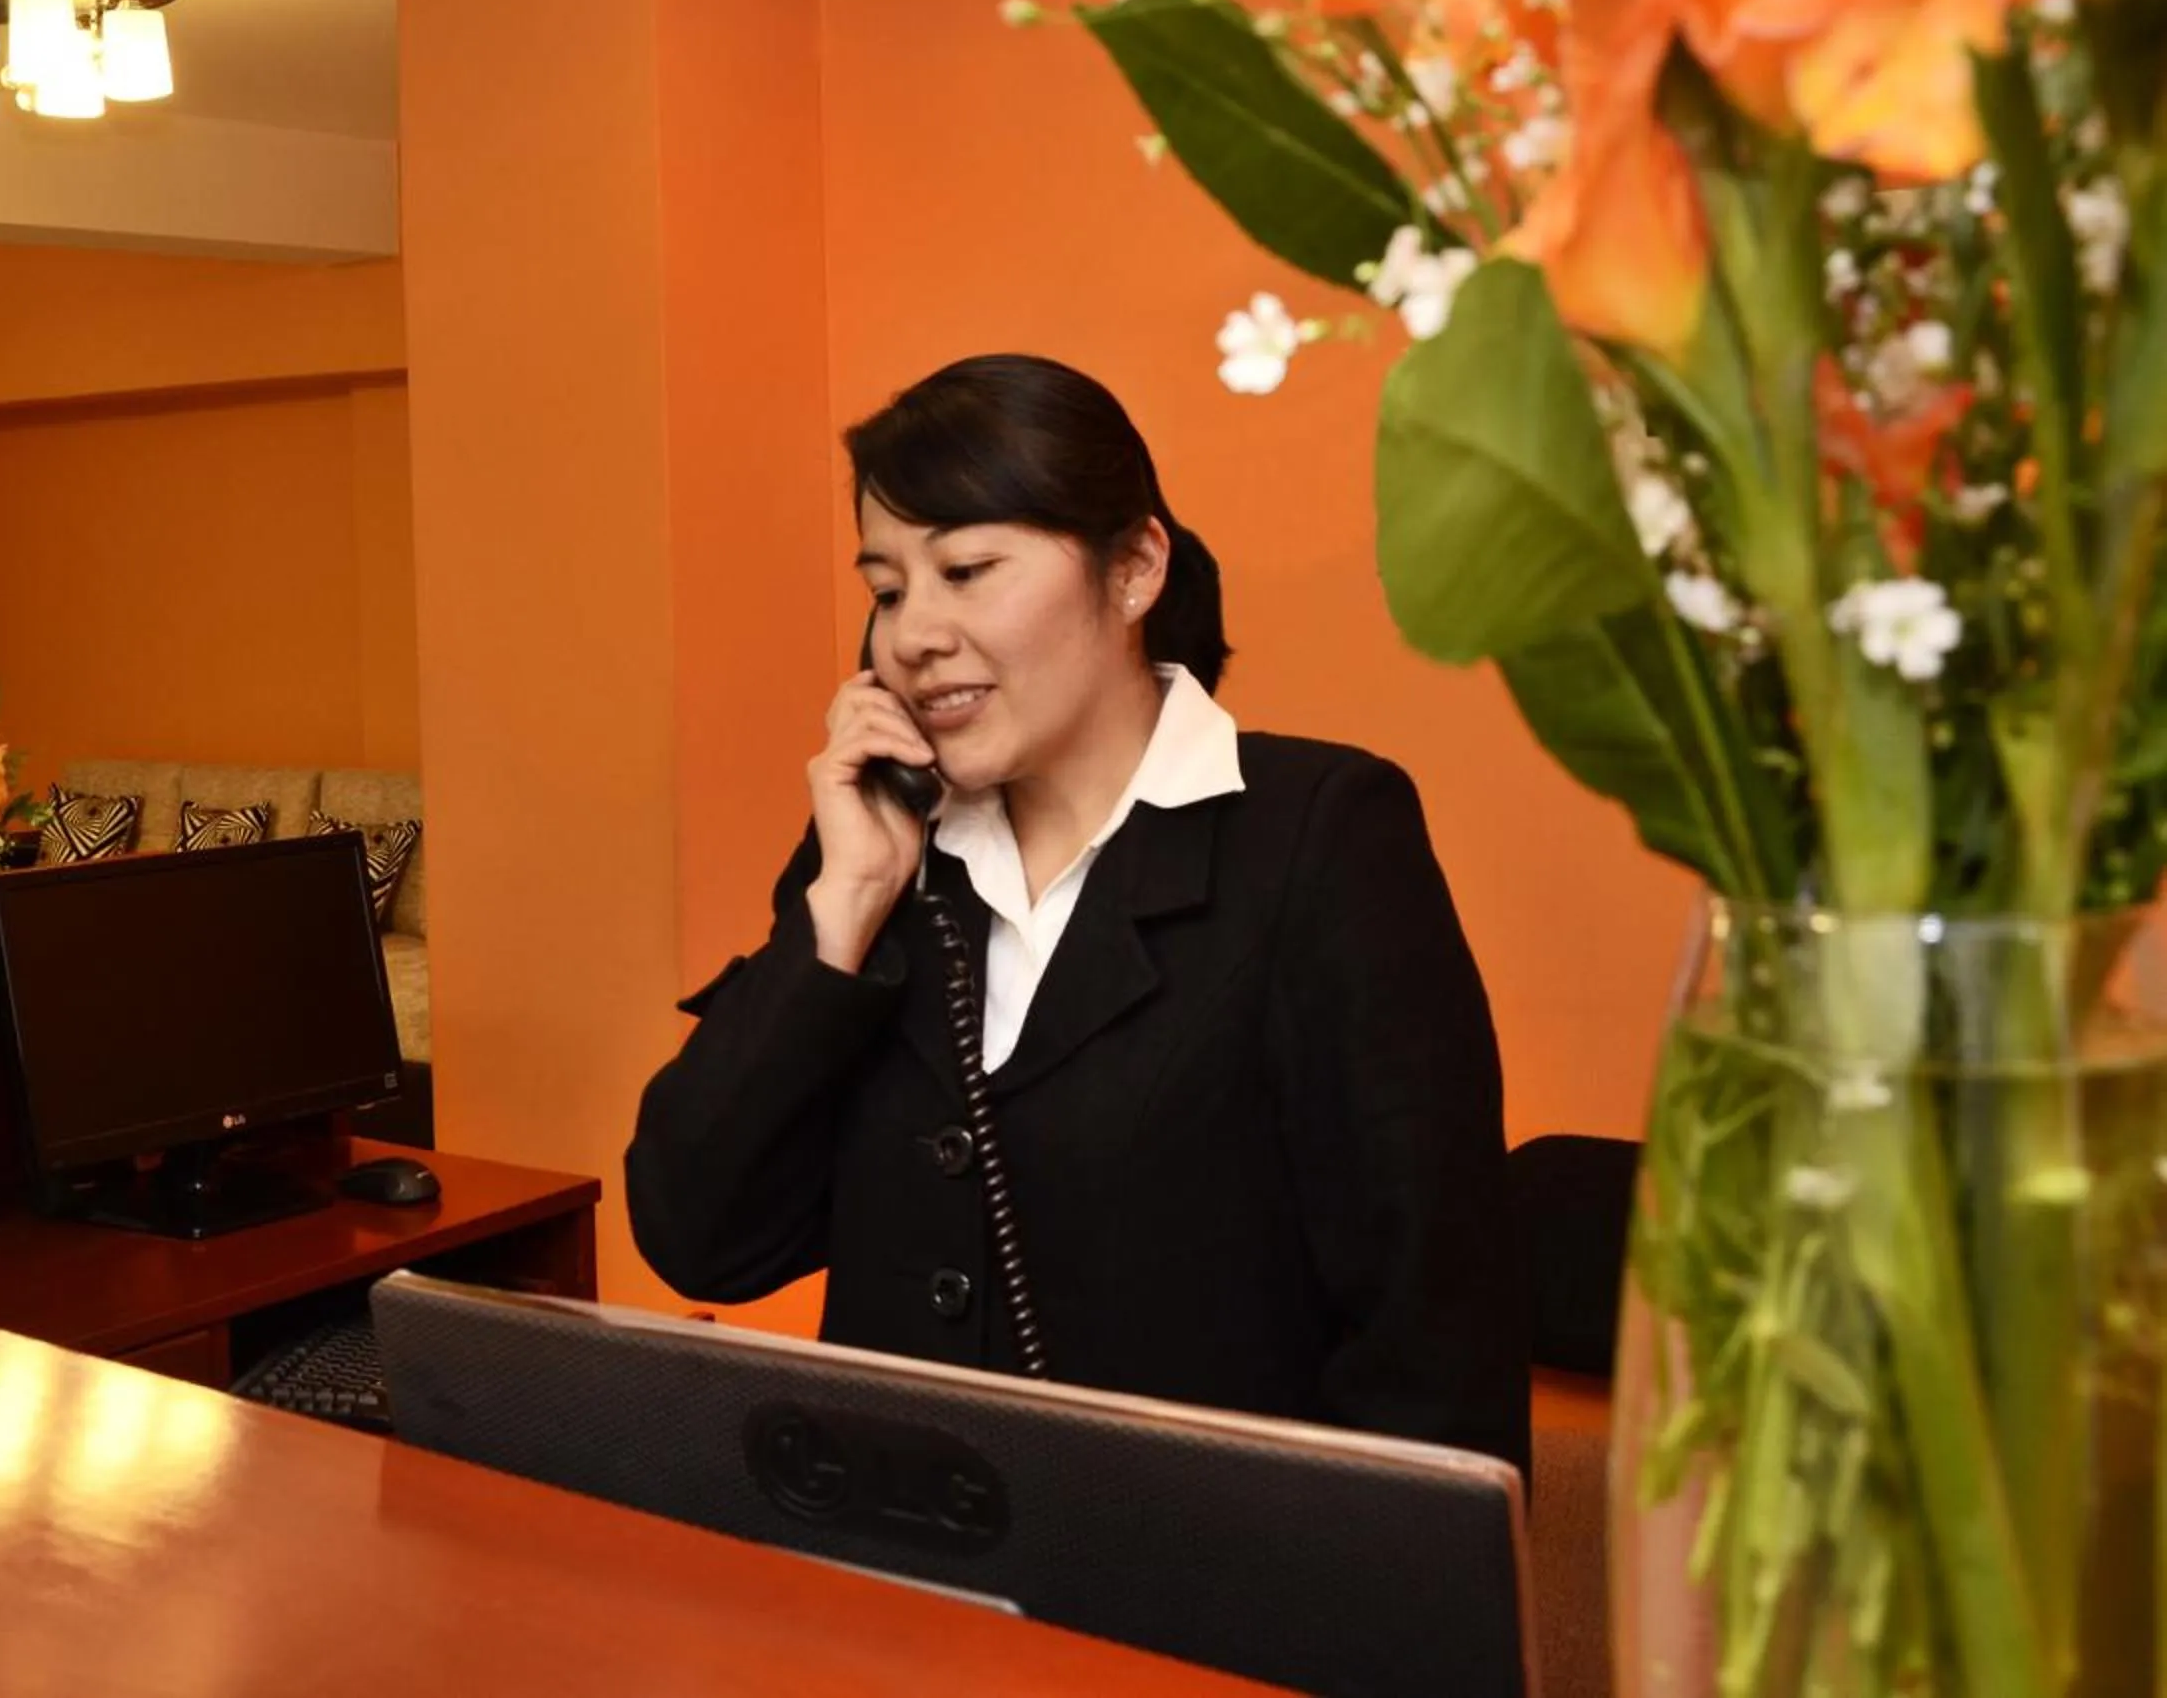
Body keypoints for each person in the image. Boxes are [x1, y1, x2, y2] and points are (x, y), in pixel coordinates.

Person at [624, 354, 1529, 1479]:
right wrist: (844, 908)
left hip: (1194, 1607)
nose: (912, 635)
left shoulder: (1319, 835)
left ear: (1136, 566)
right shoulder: (877, 855)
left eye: (967, 567)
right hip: (890, 1576)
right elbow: (697, 1232)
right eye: (889, 588)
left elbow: (1432, 1329)